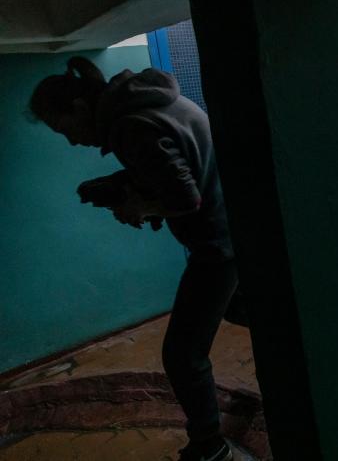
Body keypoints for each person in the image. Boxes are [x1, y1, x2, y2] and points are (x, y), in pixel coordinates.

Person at [29, 57, 236, 461]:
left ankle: (210, 447)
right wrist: (124, 186)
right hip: (234, 228)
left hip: (217, 244)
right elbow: (177, 166)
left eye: (65, 130)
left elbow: (184, 198)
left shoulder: (129, 125)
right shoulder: (146, 102)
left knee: (182, 354)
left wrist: (139, 207)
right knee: (241, 312)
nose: (71, 142)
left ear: (79, 108)